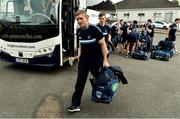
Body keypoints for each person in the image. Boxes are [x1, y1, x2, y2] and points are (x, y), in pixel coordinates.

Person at [67, 10, 109, 112]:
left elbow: (103, 45)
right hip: (84, 60)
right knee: (80, 82)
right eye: (77, 19)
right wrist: (79, 56)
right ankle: (75, 105)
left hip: (96, 60)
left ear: (87, 18)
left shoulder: (95, 29)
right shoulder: (79, 31)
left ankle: (107, 92)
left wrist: (105, 60)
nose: (79, 21)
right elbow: (81, 44)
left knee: (101, 79)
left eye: (81, 18)